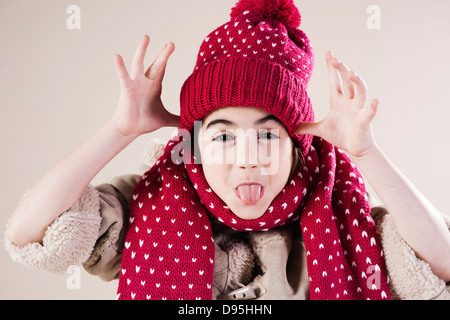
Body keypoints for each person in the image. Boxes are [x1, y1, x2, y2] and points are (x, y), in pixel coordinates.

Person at [5, 0, 450, 300]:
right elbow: (30, 233)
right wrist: (119, 131)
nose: (247, 157)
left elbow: (442, 266)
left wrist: (366, 153)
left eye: (268, 134)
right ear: (194, 144)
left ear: (298, 144)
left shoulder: (341, 216)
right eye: (222, 136)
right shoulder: (145, 203)